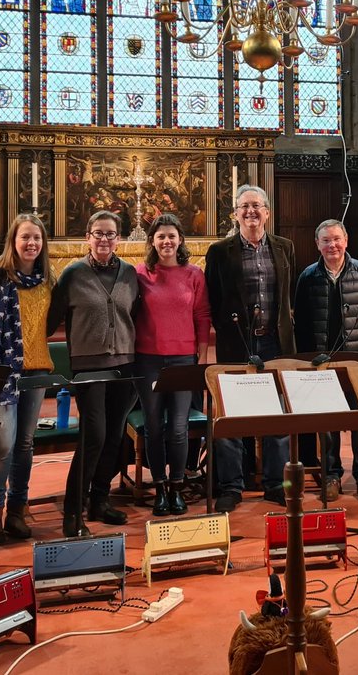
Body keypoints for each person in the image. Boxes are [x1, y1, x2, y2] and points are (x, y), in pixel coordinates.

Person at [48, 210, 140, 535]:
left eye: (110, 234)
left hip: (126, 367)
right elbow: (48, 321)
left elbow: (137, 318)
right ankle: (73, 512)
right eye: (98, 233)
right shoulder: (72, 274)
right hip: (88, 368)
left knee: (115, 436)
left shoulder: (130, 274)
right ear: (88, 236)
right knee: (94, 436)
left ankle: (101, 499)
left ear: (119, 239)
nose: (104, 239)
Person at [204, 185, 295, 512]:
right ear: (235, 213)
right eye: (244, 206)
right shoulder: (219, 251)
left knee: (278, 416)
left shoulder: (285, 248)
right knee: (231, 416)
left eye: (257, 206)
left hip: (274, 342)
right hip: (236, 343)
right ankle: (231, 486)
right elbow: (213, 299)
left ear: (267, 212)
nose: (251, 212)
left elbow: (288, 298)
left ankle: (276, 484)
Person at [0, 213, 54, 544]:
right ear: (13, 241)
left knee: (25, 444)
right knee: (4, 445)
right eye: (25, 237)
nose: (31, 243)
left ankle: (18, 511)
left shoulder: (49, 278)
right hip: (0, 370)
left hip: (36, 370)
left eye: (37, 238)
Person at [293, 218, 358, 503]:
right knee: (329, 422)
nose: (332, 245)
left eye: (336, 239)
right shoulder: (308, 277)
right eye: (326, 240)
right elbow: (301, 325)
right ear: (317, 245)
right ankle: (332, 475)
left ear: (346, 240)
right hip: (321, 363)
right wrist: (304, 362)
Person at [134, 214, 210, 516]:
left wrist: (201, 353)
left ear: (180, 240)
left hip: (182, 359)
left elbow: (202, 314)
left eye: (172, 236)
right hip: (148, 358)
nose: (167, 241)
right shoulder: (140, 273)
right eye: (161, 236)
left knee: (178, 427)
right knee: (154, 426)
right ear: (152, 241)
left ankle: (177, 488)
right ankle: (160, 489)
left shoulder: (194, 274)